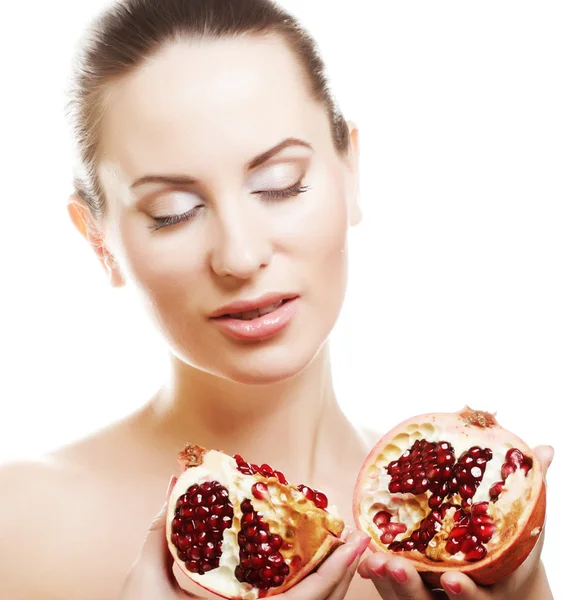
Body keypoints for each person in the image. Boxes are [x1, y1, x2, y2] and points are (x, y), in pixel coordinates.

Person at [0, 1, 554, 599]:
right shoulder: (17, 527)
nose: (239, 256)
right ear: (99, 243)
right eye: (173, 214)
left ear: (351, 172)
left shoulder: (473, 531)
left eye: (279, 184)